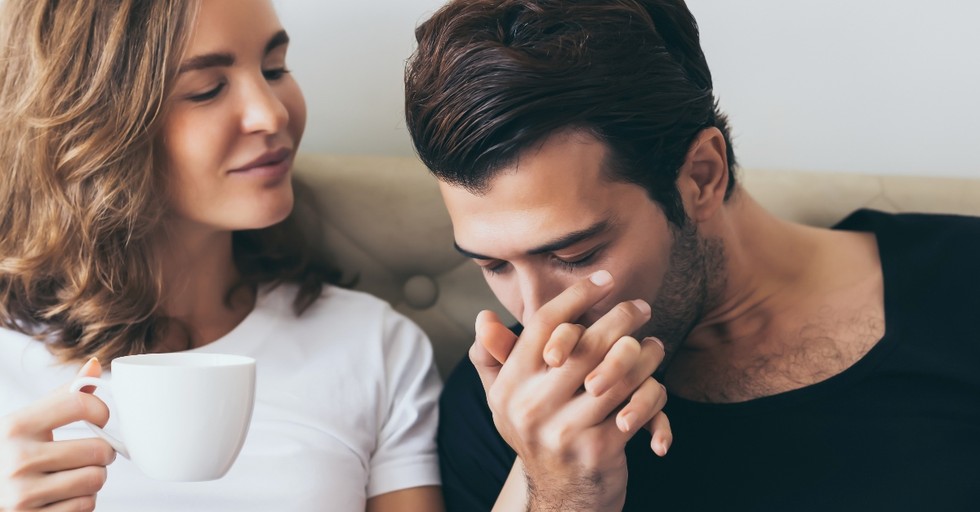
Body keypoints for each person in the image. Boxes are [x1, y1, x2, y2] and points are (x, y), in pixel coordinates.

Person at [403, 0, 980, 510]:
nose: (537, 319)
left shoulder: (963, 278)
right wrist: (559, 493)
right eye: (494, 265)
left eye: (576, 254)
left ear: (701, 176)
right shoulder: (506, 412)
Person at [0, 1, 444, 511]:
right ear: (92, 125)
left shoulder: (373, 346)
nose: (272, 114)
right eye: (207, 89)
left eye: (274, 69)